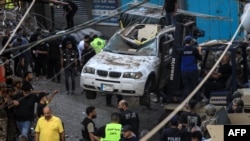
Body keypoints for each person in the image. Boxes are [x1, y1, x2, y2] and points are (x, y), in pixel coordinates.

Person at [180, 36, 202, 101]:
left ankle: (184, 100)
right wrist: (200, 51)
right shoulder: (194, 50)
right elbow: (200, 59)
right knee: (195, 86)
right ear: (191, 42)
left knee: (187, 86)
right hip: (193, 70)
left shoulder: (181, 50)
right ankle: (198, 100)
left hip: (184, 71)